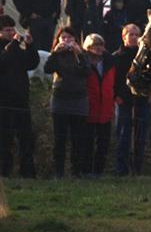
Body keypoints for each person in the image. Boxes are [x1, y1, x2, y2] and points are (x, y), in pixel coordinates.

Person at [44, 26, 90, 178]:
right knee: (60, 139)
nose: (66, 41)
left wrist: (79, 54)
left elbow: (87, 72)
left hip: (79, 100)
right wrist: (54, 52)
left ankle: (76, 172)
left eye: (70, 38)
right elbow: (47, 69)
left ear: (76, 40)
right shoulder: (57, 55)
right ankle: (59, 173)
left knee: (78, 139)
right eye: (63, 38)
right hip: (60, 100)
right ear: (58, 40)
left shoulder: (81, 54)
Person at [0, 16, 40, 177]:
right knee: (4, 139)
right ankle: (4, 172)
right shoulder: (9, 48)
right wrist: (14, 44)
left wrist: (30, 46)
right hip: (3, 100)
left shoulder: (17, 48)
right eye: (6, 30)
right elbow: (3, 60)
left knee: (26, 137)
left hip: (21, 98)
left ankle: (28, 172)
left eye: (12, 29)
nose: (11, 32)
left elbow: (32, 63)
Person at [112, 24, 151, 175]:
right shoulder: (117, 56)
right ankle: (121, 169)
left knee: (141, 136)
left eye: (137, 34)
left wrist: (149, 94)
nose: (134, 37)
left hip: (141, 100)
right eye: (131, 34)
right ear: (124, 37)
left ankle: (138, 169)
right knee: (123, 135)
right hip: (124, 100)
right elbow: (113, 80)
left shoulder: (145, 56)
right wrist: (116, 96)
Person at [82, 33, 115, 176]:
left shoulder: (110, 62)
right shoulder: (83, 63)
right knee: (87, 141)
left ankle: (98, 170)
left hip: (106, 107)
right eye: (95, 45)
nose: (99, 48)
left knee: (103, 142)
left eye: (101, 45)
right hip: (89, 106)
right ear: (88, 48)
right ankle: (86, 169)